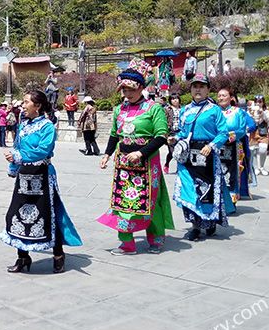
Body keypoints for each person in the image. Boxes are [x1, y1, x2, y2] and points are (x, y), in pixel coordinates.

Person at [0, 90, 82, 273]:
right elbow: (17, 146)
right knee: (18, 214)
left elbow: (43, 150)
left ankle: (58, 254)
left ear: (37, 106)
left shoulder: (47, 127)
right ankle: (22, 257)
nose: (22, 105)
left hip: (42, 174)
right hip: (24, 176)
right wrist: (13, 167)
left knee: (48, 215)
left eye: (26, 101)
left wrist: (17, 156)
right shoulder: (23, 125)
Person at [97, 68, 174, 255]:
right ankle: (127, 243)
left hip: (147, 164)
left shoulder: (153, 108)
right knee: (122, 204)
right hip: (123, 164)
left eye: (131, 89)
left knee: (150, 202)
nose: (127, 93)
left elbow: (161, 136)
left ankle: (156, 239)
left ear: (141, 88)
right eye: (124, 90)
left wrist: (141, 153)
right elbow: (115, 135)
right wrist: (107, 154)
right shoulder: (119, 109)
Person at [173, 73, 233, 241]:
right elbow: (183, 133)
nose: (198, 89)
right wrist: (175, 138)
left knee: (206, 190)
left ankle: (209, 222)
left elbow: (223, 133)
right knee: (189, 188)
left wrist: (211, 145)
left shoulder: (214, 110)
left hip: (207, 156)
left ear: (208, 90)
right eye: (195, 86)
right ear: (190, 90)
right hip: (188, 156)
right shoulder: (185, 110)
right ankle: (195, 226)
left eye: (202, 86)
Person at [217, 87, 251, 204]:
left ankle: (231, 201)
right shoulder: (214, 112)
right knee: (217, 172)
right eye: (219, 95)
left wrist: (233, 135)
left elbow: (242, 129)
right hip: (217, 146)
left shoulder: (238, 112)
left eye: (224, 95)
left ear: (231, 98)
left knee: (232, 173)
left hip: (233, 147)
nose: (221, 98)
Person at [249, 95, 269, 175]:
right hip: (253, 132)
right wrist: (251, 113)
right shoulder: (251, 110)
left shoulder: (266, 111)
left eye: (260, 101)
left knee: (263, 149)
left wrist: (262, 113)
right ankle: (257, 167)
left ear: (263, 102)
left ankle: (262, 167)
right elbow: (248, 120)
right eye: (256, 101)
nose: (258, 103)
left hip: (263, 131)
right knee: (254, 150)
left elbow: (268, 120)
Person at [162, 94, 181, 174]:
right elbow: (164, 120)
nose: (175, 100)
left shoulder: (183, 109)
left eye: (176, 98)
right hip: (171, 132)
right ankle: (166, 164)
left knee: (180, 151)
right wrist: (165, 133)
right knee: (172, 152)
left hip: (180, 132)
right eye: (172, 99)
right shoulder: (167, 109)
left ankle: (179, 168)